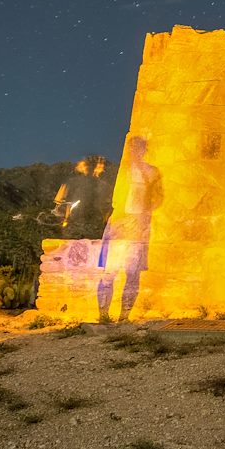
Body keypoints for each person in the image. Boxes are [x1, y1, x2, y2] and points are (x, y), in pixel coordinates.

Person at [97, 136, 163, 323]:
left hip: (138, 228)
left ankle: (124, 317)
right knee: (109, 272)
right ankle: (103, 314)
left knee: (132, 273)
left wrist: (143, 213)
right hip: (119, 227)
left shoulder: (152, 172)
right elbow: (115, 199)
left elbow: (158, 199)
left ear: (143, 150)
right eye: (131, 149)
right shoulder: (123, 172)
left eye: (138, 148)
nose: (134, 152)